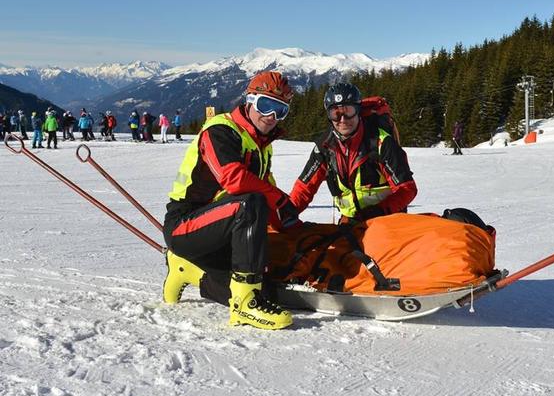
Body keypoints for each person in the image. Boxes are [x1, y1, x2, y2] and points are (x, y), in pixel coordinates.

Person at [162, 71, 299, 331]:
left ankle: (188, 269)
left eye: (280, 111)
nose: (271, 117)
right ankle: (244, 304)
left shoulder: (261, 145)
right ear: (249, 100)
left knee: (269, 292)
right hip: (185, 224)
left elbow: (266, 188)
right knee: (250, 203)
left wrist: (288, 222)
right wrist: (278, 200)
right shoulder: (220, 131)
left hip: (222, 232)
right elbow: (234, 179)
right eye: (266, 105)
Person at [289, 82, 417, 224]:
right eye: (335, 113)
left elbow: (407, 189)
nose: (342, 120)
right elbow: (304, 188)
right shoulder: (325, 147)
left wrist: (380, 210)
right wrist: (286, 215)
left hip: (387, 222)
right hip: (350, 224)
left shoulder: (380, 142)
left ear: (358, 111)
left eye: (348, 111)